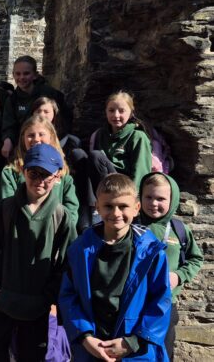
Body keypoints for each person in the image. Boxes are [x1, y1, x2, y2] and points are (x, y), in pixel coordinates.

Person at [0, 143, 77, 361]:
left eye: (46, 174)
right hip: (2, 303)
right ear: (23, 171)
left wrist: (48, 298)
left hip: (37, 310)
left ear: (57, 176)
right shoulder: (4, 209)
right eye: (33, 173)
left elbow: (67, 265)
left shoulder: (62, 217)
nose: (39, 180)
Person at [59, 173, 172, 361]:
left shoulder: (152, 252)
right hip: (91, 348)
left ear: (136, 208)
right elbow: (68, 296)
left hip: (136, 351)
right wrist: (85, 337)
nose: (116, 213)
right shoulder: (79, 249)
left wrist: (131, 343)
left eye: (123, 206)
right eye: (108, 206)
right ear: (97, 207)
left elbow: (161, 301)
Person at [139, 172, 203, 359]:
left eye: (160, 199)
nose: (153, 203)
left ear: (172, 200)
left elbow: (195, 259)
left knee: (164, 352)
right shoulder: (131, 225)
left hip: (166, 305)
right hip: (135, 302)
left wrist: (179, 276)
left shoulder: (179, 229)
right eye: (148, 197)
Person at [0, 115, 79, 225]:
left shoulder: (62, 173)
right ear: (23, 138)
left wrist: (60, 230)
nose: (36, 139)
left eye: (41, 134)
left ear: (51, 137)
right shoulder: (11, 172)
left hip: (54, 230)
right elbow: (7, 208)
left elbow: (71, 211)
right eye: (31, 135)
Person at [31, 97, 91, 230]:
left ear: (55, 114)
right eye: (38, 111)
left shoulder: (68, 139)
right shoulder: (28, 135)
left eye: (46, 111)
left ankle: (85, 211)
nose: (42, 114)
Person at [1, 55, 70, 159]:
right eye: (18, 74)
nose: (21, 77)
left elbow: (64, 119)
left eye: (26, 73)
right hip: (25, 143)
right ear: (13, 75)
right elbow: (9, 125)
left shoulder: (50, 94)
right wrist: (7, 140)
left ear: (35, 75)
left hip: (50, 142)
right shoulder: (12, 100)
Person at [88, 91, 153, 189]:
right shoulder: (100, 134)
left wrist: (134, 195)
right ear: (106, 112)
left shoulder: (138, 136)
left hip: (124, 187)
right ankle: (90, 198)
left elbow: (141, 170)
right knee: (78, 154)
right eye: (111, 110)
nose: (116, 115)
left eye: (121, 111)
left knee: (96, 155)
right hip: (103, 183)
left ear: (131, 113)